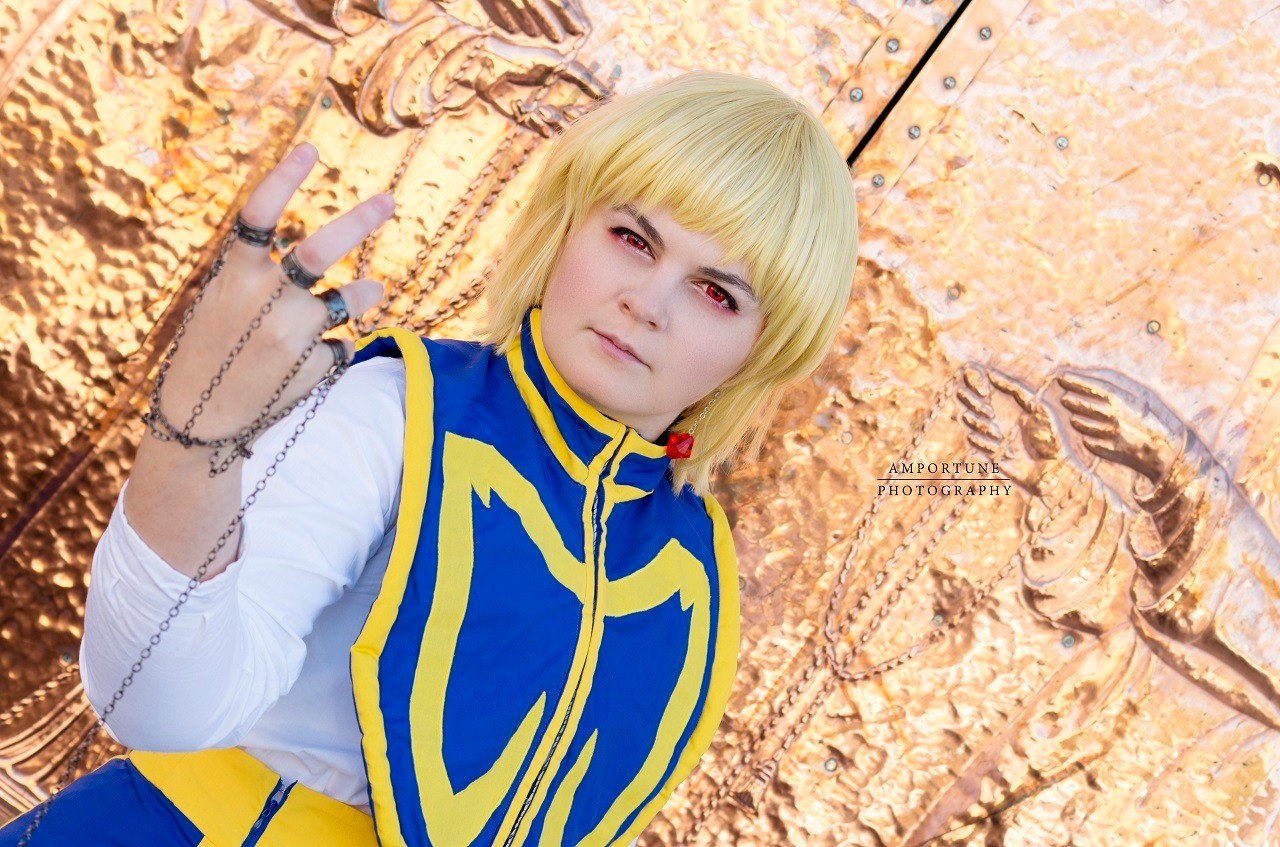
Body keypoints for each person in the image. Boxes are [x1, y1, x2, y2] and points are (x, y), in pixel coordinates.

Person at [0, 70, 858, 845]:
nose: (647, 302)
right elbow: (155, 700)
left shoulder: (692, 561)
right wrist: (193, 444)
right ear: (567, 225)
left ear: (760, 347)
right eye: (634, 237)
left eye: (717, 291)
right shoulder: (399, 412)